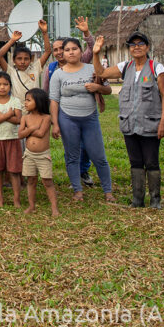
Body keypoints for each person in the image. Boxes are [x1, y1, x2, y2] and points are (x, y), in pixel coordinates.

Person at [93, 32, 164, 208]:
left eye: (140, 43)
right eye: (132, 44)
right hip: (129, 123)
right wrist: (96, 53)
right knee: (135, 161)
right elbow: (101, 73)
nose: (136, 47)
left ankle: (155, 200)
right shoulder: (125, 67)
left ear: (147, 47)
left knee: (151, 162)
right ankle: (137, 200)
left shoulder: (156, 68)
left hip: (151, 123)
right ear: (129, 49)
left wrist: (163, 121)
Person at [49, 38, 115, 203]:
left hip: (90, 118)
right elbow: (54, 101)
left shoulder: (92, 69)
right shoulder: (58, 74)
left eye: (74, 49)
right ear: (62, 54)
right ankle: (77, 190)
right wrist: (55, 124)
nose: (71, 52)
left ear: (80, 51)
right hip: (67, 119)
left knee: (98, 156)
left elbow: (108, 89)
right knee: (72, 156)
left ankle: (108, 191)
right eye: (67, 50)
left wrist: (97, 87)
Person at [43, 17, 98, 188]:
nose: (60, 52)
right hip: (62, 111)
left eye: (62, 48)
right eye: (56, 49)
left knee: (87, 144)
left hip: (85, 111)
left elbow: (93, 48)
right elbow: (46, 93)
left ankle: (84, 171)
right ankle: (74, 178)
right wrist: (51, 118)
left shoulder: (82, 61)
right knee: (71, 146)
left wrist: (86, 33)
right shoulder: (51, 69)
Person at [18, 88, 59, 216]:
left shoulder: (46, 118)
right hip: (29, 154)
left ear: (39, 102)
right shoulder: (25, 118)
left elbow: (41, 134)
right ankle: (31, 206)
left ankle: (54, 208)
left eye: (28, 100)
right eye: (25, 100)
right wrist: (32, 128)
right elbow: (20, 134)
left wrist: (28, 130)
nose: (25, 103)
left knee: (47, 181)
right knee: (31, 180)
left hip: (43, 155)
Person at [0, 72, 23, 207]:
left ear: (10, 86)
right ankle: (0, 199)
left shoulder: (15, 101)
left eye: (5, 84)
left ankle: (16, 199)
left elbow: (18, 120)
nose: (2, 87)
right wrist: (8, 114)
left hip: (13, 139)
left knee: (14, 171)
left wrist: (0, 115)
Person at [0, 20, 52, 109]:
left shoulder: (36, 68)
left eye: (26, 59)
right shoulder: (11, 71)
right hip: (18, 110)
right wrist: (12, 40)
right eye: (19, 59)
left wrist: (44, 33)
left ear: (31, 60)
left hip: (35, 110)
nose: (22, 62)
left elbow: (48, 52)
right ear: (13, 60)